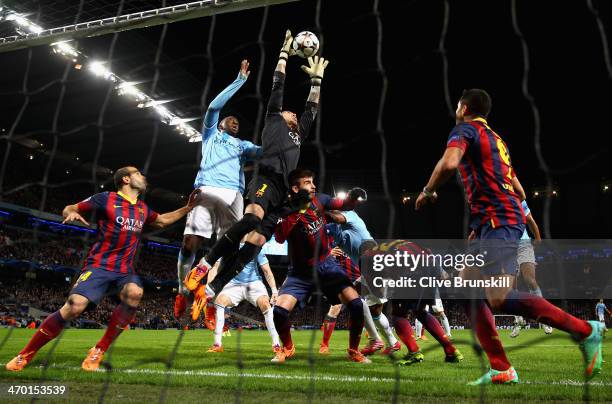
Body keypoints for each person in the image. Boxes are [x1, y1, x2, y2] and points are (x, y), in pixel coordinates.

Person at [415, 89, 604, 384]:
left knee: (499, 298)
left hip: (499, 220)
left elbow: (450, 163)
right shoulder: (497, 139)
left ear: (463, 107)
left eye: (458, 105)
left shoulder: (465, 129)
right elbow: (519, 189)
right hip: (493, 220)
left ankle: (585, 330)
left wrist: (428, 190)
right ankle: (501, 367)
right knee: (466, 288)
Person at [183, 31, 330, 308]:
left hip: (285, 192)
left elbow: (311, 108)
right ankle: (205, 263)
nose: (293, 113)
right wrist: (283, 55)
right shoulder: (273, 119)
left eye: (293, 113)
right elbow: (278, 84)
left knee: (254, 245)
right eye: (289, 111)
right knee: (251, 220)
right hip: (266, 179)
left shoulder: (299, 132)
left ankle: (212, 288)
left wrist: (316, 81)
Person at [6, 167, 199, 372]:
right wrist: (71, 212)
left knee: (135, 292)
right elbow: (70, 207)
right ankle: (25, 354)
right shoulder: (105, 198)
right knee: (74, 306)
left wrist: (187, 208)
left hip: (124, 270)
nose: (143, 176)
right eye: (138, 173)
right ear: (126, 178)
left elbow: (162, 220)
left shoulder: (142, 208)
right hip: (99, 266)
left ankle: (99, 350)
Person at [175, 60, 261, 321]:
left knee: (230, 249)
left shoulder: (243, 146)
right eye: (230, 119)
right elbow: (214, 106)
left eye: (237, 121)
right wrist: (240, 81)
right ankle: (182, 290)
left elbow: (265, 152)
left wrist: (286, 134)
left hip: (234, 195)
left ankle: (209, 295)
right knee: (190, 243)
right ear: (220, 123)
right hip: (207, 188)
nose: (234, 121)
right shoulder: (211, 134)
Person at [270, 169, 369, 363]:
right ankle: (288, 348)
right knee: (279, 312)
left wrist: (353, 197)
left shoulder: (320, 200)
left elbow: (344, 204)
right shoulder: (285, 211)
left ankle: (354, 351)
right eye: (308, 182)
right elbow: (280, 238)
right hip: (300, 273)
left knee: (357, 305)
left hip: (326, 266)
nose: (313, 185)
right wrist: (296, 214)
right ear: (295, 188)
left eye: (313, 181)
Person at [205, 242, 280, 353]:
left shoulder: (256, 246)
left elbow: (266, 270)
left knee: (265, 304)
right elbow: (215, 267)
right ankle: (217, 344)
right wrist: (209, 287)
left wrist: (274, 290)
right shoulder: (228, 245)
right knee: (219, 302)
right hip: (233, 283)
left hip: (254, 283)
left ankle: (276, 344)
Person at [509, 198, 552, 337]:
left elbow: (530, 220)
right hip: (507, 247)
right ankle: (518, 320)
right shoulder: (492, 201)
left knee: (530, 280)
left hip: (523, 244)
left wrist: (538, 238)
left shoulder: (518, 199)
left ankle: (544, 318)